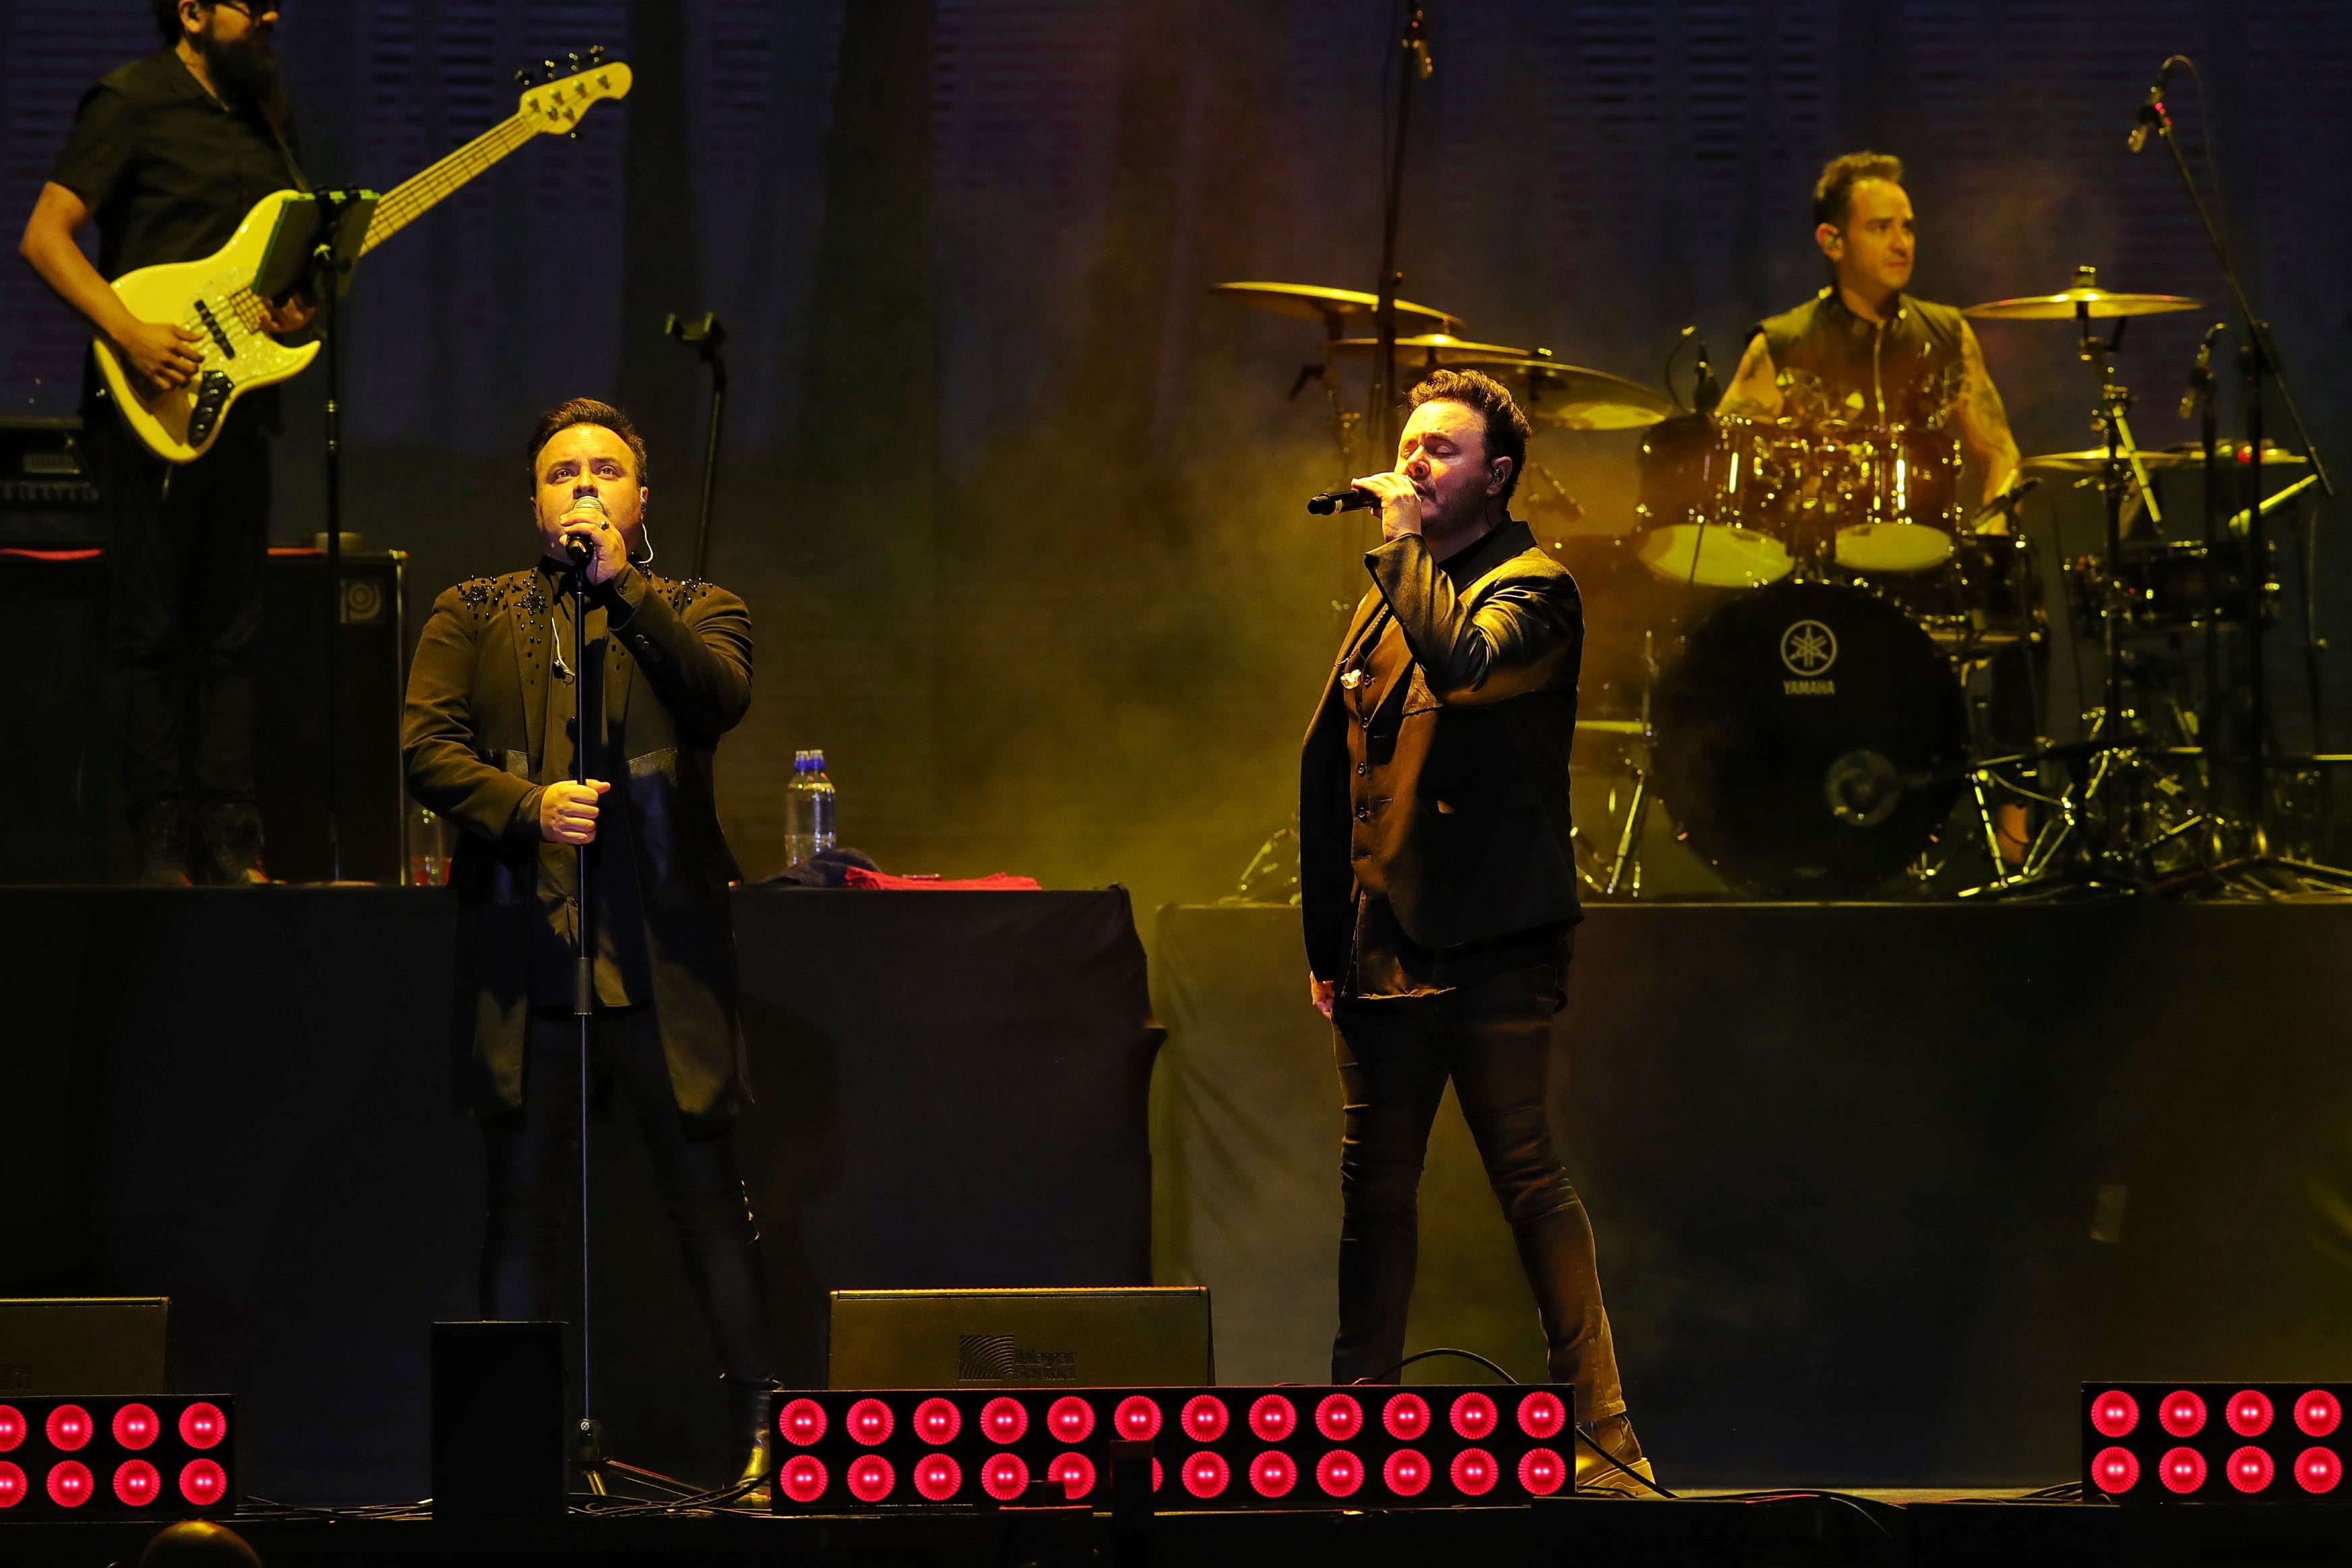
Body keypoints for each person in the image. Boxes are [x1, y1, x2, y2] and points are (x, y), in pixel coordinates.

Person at [402, 398, 776, 1495]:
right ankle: (516, 1452)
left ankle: (770, 1438)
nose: (583, 485)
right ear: (534, 501)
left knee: (708, 1202)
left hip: (662, 961)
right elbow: (426, 748)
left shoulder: (697, 608)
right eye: (562, 471)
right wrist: (527, 807)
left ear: (638, 499)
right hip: (530, 954)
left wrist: (624, 588)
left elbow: (719, 698)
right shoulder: (471, 612)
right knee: (521, 1210)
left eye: (605, 470)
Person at [1299, 369, 1652, 1494]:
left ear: (1496, 476)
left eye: (1439, 449)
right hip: (1380, 944)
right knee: (1373, 1196)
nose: (1412, 461)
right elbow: (1336, 765)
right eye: (1407, 443)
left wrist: (1402, 545)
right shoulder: (1389, 592)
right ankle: (1355, 1437)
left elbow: (1466, 669)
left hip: (1494, 940)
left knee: (1527, 1178)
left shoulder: (1536, 589)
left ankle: (1603, 1434)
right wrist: (1326, 941)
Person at [16, 0, 312, 883]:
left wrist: (296, 311)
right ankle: (159, 840)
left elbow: (279, 280)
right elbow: (44, 236)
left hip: (240, 405)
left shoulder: (267, 119)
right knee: (147, 625)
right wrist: (130, 331)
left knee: (232, 631)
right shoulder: (130, 100)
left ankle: (232, 834)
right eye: (249, 3)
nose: (270, 14)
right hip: (145, 398)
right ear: (190, 13)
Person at [1721, 150, 2035, 862]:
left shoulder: (1947, 334)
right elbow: (1725, 460)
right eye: (1881, 227)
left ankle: (2016, 840)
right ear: (1832, 241)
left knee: (2025, 601)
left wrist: (1995, 520)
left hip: (1931, 563)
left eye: (1909, 226)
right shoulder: (1784, 343)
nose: (1902, 243)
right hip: (1820, 572)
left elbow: (2000, 452)